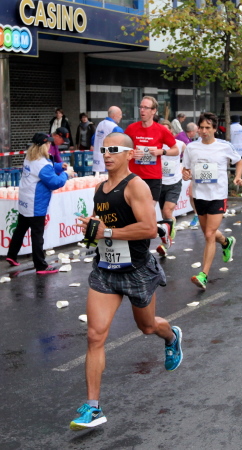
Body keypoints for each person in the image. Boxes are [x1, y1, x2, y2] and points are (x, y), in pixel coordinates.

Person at [69, 132, 182, 431]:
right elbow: (100, 225)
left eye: (114, 149)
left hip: (136, 270)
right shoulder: (100, 189)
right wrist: (91, 230)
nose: (107, 154)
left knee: (147, 327)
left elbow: (148, 228)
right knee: (95, 335)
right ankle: (93, 408)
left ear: (129, 154)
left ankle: (171, 337)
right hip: (106, 270)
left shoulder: (136, 186)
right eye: (104, 149)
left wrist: (106, 232)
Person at [182, 112, 242, 290]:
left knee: (209, 234)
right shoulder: (191, 147)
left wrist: (237, 177)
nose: (204, 131)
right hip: (199, 196)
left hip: (217, 195)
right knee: (208, 233)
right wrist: (185, 174)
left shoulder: (224, 146)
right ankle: (226, 242)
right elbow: (186, 169)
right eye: (201, 128)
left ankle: (203, 274)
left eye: (208, 128)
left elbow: (239, 161)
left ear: (215, 129)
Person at [6, 133, 68, 272]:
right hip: (36, 203)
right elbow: (54, 182)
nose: (50, 145)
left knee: (20, 229)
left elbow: (45, 169)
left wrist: (59, 166)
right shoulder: (42, 163)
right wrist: (66, 174)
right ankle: (40, 266)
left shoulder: (30, 157)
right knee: (37, 235)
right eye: (49, 143)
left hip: (25, 200)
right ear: (44, 145)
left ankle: (12, 255)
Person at [125, 96, 179, 252]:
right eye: (141, 107)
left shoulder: (161, 129)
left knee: (145, 216)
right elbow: (122, 147)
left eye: (146, 108)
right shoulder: (131, 128)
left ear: (154, 111)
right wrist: (131, 153)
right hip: (133, 178)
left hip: (153, 178)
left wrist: (162, 151)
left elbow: (176, 149)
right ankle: (161, 231)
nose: (142, 110)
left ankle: (144, 251)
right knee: (134, 216)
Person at [156, 121, 185, 256]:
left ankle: (167, 241)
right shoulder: (156, 145)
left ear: (171, 132)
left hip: (174, 182)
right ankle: (168, 236)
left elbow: (189, 154)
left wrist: (187, 168)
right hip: (159, 183)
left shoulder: (179, 144)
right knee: (165, 215)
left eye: (166, 131)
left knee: (167, 211)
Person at [91, 107, 124, 173]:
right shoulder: (116, 128)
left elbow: (93, 141)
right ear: (114, 116)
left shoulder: (100, 125)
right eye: (120, 115)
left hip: (96, 164)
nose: (121, 117)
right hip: (109, 165)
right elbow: (121, 146)